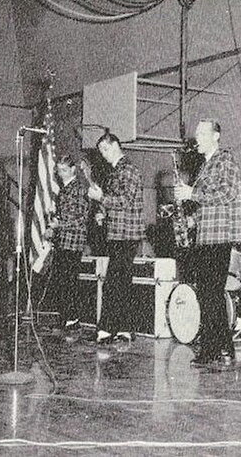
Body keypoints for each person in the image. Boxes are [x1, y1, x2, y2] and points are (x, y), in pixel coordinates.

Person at [175, 120, 241, 366]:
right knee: (211, 294)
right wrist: (191, 219)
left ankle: (211, 350)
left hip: (220, 235)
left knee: (210, 294)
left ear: (216, 135)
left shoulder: (224, 159)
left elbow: (227, 193)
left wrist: (191, 194)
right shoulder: (206, 164)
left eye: (200, 133)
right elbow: (209, 204)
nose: (195, 137)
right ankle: (224, 347)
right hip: (207, 234)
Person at [87, 132, 145, 344]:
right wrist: (104, 212)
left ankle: (107, 328)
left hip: (126, 234)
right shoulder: (117, 170)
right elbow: (117, 203)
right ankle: (125, 328)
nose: (102, 155)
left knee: (114, 281)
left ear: (115, 146)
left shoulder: (127, 168)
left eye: (104, 149)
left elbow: (125, 200)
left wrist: (101, 197)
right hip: (120, 233)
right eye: (101, 151)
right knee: (121, 281)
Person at [45, 155, 90, 337]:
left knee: (69, 281)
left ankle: (72, 320)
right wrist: (53, 228)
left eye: (64, 170)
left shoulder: (78, 189)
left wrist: (59, 225)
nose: (60, 173)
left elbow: (80, 219)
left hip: (73, 241)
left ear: (73, 169)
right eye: (58, 170)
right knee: (62, 281)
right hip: (63, 240)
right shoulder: (65, 189)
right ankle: (66, 319)